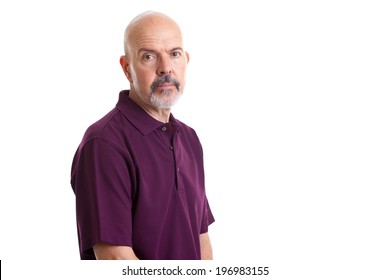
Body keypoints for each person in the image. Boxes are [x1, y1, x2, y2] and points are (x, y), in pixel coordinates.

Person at [70, 11, 215, 260]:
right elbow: (116, 259)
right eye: (148, 56)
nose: (165, 68)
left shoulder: (190, 139)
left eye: (174, 54)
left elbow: (201, 238)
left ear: (186, 61)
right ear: (127, 69)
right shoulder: (104, 143)